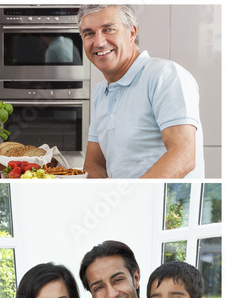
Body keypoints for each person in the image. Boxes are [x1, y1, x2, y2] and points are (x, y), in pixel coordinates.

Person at [79, 4, 203, 179]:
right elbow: (95, 163)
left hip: (164, 203)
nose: (98, 42)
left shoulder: (164, 75)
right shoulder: (101, 92)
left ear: (131, 33)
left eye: (109, 29)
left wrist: (130, 197)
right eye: (89, 33)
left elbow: (183, 156)